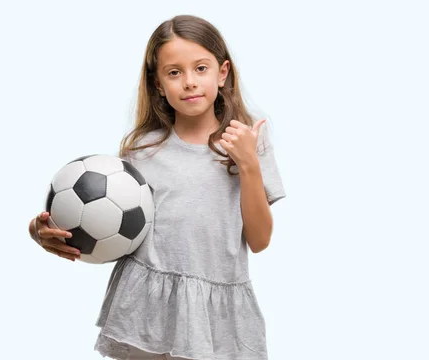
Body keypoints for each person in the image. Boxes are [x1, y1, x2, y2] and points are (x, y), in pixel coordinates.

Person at [27, 14, 286, 360]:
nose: (189, 82)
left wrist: (249, 164)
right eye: (174, 72)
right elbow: (113, 231)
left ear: (222, 73)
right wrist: (42, 230)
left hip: (214, 316)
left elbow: (260, 240)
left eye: (201, 68)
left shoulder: (249, 140)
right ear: (158, 84)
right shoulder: (142, 150)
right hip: (145, 309)